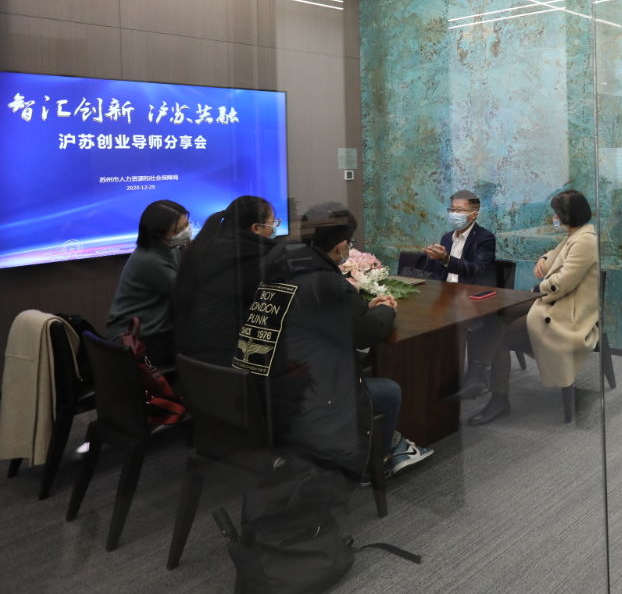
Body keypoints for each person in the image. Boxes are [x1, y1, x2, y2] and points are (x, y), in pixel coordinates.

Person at [255, 202, 432, 481]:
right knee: (389, 391)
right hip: (308, 392)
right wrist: (386, 309)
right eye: (349, 243)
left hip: (271, 382)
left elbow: (327, 319)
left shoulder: (280, 265)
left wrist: (364, 309)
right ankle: (373, 464)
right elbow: (367, 333)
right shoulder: (325, 281)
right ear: (341, 246)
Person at [460, 189, 599, 426]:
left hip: (565, 315)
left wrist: (536, 289)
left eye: (556, 213)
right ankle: (477, 373)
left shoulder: (585, 241)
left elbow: (561, 282)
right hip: (552, 303)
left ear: (567, 216)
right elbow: (558, 254)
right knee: (497, 314)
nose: (553, 218)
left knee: (500, 336)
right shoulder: (575, 236)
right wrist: (544, 258)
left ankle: (498, 399)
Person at [173, 195, 279, 366]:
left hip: (192, 356)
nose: (274, 227)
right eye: (273, 222)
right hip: (228, 359)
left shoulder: (205, 246)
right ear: (256, 228)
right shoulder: (253, 257)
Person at [106, 199, 190, 365]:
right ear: (159, 235)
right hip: (138, 338)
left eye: (187, 225)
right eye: (178, 230)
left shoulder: (167, 248)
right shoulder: (152, 260)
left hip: (152, 330)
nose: (186, 232)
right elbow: (186, 293)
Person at [412, 189, 497, 287]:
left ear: (474, 214)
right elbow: (438, 272)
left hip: (468, 291)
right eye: (452, 210)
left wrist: (446, 259)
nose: (454, 214)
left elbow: (478, 270)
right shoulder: (446, 238)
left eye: (460, 210)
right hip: (444, 290)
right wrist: (434, 289)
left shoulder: (485, 237)